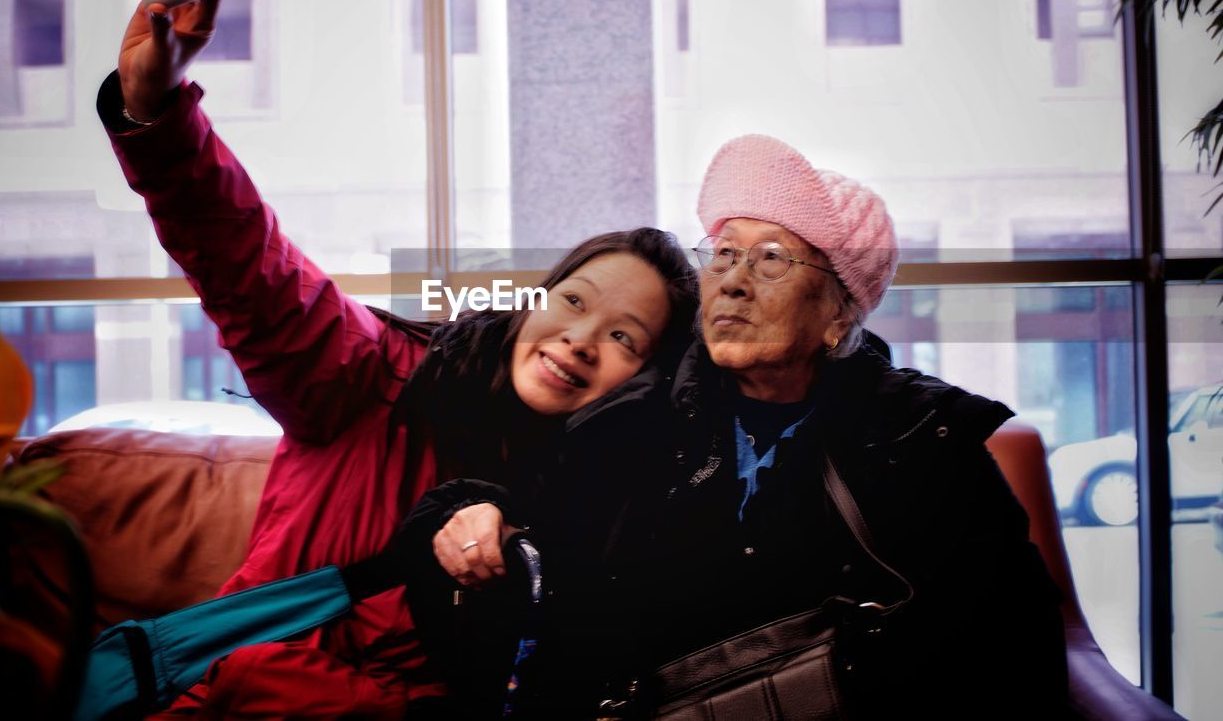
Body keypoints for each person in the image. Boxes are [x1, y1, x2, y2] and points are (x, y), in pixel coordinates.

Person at [99, 0, 699, 719]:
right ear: (536, 299)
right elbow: (245, 261)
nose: (580, 340)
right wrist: (158, 112)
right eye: (575, 301)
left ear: (649, 377)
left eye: (625, 338)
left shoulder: (598, 506)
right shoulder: (370, 375)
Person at [405, 134, 1068, 717]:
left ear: (840, 313)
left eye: (772, 259)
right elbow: (536, 551)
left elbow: (1014, 656)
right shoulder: (633, 418)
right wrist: (475, 509)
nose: (733, 282)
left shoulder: (927, 441)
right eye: (723, 255)